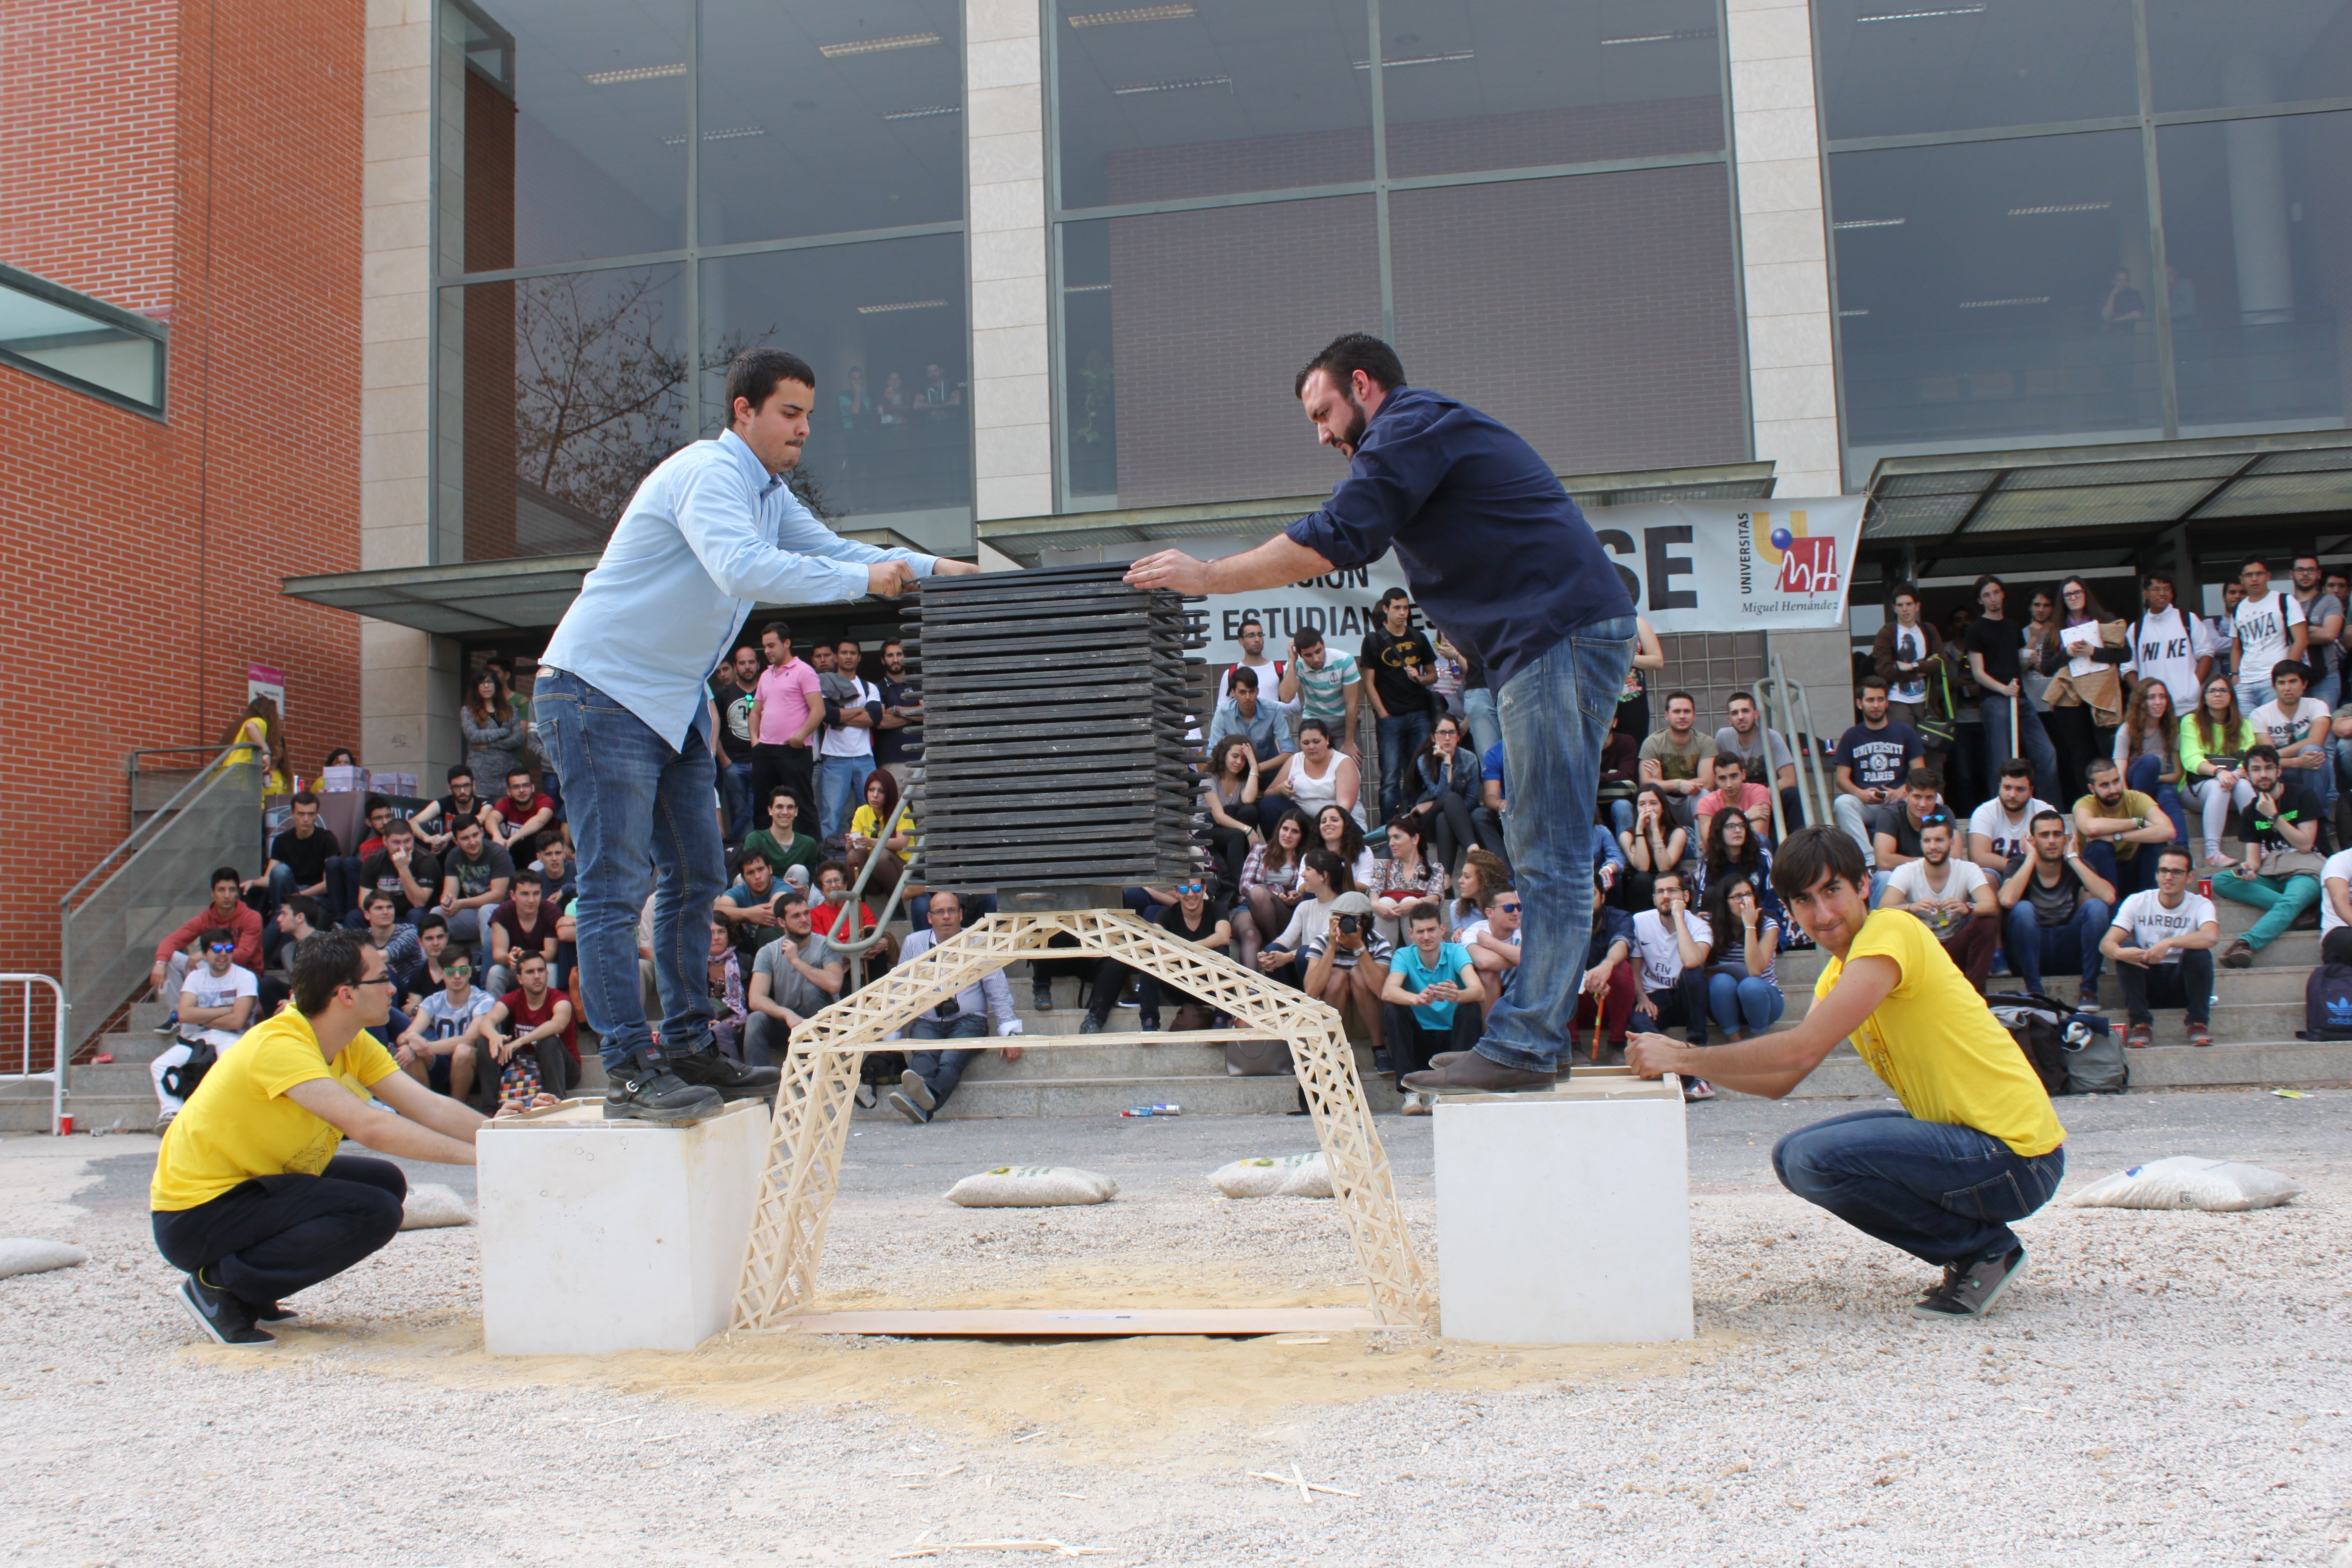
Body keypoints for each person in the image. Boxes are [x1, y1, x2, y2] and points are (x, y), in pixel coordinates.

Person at [1123, 332, 1636, 1093]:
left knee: (1548, 847)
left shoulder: (1407, 426)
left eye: (1324, 411)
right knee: (1539, 839)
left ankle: (1528, 1043)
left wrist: (1210, 577)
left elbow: (1340, 535)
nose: (1323, 434)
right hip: (1549, 638)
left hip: (1555, 635)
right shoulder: (1423, 439)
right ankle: (1537, 1039)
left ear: (1362, 384)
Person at [534, 348, 972, 1122]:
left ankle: (689, 1044)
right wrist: (862, 582)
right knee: (612, 888)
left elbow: (839, 551)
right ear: (744, 412)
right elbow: (742, 569)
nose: (804, 430)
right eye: (790, 413)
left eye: (808, 415)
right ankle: (630, 1070)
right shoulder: (710, 473)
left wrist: (934, 567)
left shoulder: (770, 493)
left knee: (699, 878)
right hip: (597, 692)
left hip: (668, 706)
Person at [1627, 828, 2066, 1321]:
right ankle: (1978, 1249)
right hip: (1973, 1144)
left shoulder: (1891, 933)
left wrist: (1684, 1059)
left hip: (2018, 1158)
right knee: (1794, 1158)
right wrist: (1684, 1062)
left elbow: (1799, 1051)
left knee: (1813, 1158)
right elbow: (1781, 1080)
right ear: (1789, 911)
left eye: (1832, 890)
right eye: (1804, 900)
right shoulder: (1837, 975)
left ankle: (1985, 1250)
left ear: (1862, 886)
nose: (1823, 914)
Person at [150, 931, 489, 1348]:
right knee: (374, 1211)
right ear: (346, 994)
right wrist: (485, 1159)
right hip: (198, 1215)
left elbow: (429, 1107)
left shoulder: (351, 1041)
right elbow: (372, 1128)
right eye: (382, 979)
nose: (393, 988)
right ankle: (218, 1288)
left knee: (385, 1183)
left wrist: (501, 1135)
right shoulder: (281, 1044)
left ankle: (253, 1288)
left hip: (253, 1186)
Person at [884, 894, 1022, 1124]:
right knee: (923, 1059)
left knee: (950, 1060)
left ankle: (921, 1103)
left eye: (951, 911)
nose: (946, 917)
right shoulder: (913, 943)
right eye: (939, 912)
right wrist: (892, 1037)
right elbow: (900, 990)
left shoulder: (978, 941)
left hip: (969, 1020)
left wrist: (1009, 1033)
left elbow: (997, 989)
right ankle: (923, 1107)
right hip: (927, 1019)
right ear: (929, 918)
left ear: (960, 914)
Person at [2211, 744, 2323, 969]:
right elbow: (2253, 858)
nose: (2263, 774)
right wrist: (2250, 870)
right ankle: (2302, 911)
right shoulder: (2251, 811)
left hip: (2308, 870)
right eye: (2256, 769)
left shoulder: (2302, 795)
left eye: (2269, 768)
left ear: (2278, 771)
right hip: (2274, 872)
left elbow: (2305, 844)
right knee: (2221, 880)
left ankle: (2245, 944)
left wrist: (2274, 816)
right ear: (2248, 774)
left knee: (2291, 900)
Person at [2100, 846, 2219, 1049]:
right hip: (2148, 981)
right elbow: (2106, 944)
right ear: (2156, 875)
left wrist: (2169, 943)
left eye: (2177, 872)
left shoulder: (2200, 904)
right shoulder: (2137, 901)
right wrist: (2119, 953)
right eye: (2163, 871)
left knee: (2199, 953)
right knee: (2128, 949)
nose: (2168, 877)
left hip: (2182, 982)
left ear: (2190, 877)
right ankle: (2140, 1024)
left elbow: (2211, 936)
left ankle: (2198, 1024)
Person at [1081, 875, 1233, 1034]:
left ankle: (1221, 1018)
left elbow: (1223, 937)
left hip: (1210, 987)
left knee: (1221, 952)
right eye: (1184, 889)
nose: (1190, 894)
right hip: (1179, 986)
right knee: (1151, 956)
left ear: (1204, 890)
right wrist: (1164, 947)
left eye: (1195, 888)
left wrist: (1186, 950)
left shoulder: (1217, 908)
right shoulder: (1167, 914)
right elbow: (1154, 936)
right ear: (1176, 892)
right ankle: (1149, 1022)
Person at [1998, 809, 2115, 1007]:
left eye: (2057, 834)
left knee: (2096, 907)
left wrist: (2073, 858)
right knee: (2023, 909)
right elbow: (2008, 900)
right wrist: (2030, 858)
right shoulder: (2019, 864)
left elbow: (2109, 897)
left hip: (2067, 949)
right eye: (2044, 835)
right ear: (2032, 840)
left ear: (2066, 838)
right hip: (2030, 951)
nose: (2052, 841)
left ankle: (2088, 990)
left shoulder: (2077, 864)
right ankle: (2035, 991)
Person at [1964, 575, 2060, 805]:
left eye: (1996, 592)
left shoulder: (2013, 627)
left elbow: (2017, 663)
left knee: (2046, 753)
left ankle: (2047, 808)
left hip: (2021, 698)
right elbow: (1978, 673)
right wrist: (2003, 689)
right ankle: (1998, 812)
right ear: (1980, 601)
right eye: (1987, 595)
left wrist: (2031, 656)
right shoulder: (1975, 630)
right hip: (1995, 700)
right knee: (2002, 761)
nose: (1993, 598)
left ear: (2003, 594)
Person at [1685, 875, 1786, 1092]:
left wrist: (1750, 927)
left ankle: (1758, 1045)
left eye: (1749, 894)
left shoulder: (1768, 924)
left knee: (1750, 985)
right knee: (1721, 981)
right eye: (1738, 896)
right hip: (1727, 1003)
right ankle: (1736, 1043)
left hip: (1764, 1000)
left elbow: (1755, 970)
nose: (1745, 901)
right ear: (1725, 901)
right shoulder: (1713, 924)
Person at [1874, 816, 1999, 991]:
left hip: (1955, 945)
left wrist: (1968, 908)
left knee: (1987, 923)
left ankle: (1976, 994)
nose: (1933, 847)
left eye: (1940, 840)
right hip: (1923, 950)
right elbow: (1883, 909)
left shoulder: (1967, 869)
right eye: (1927, 841)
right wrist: (1910, 907)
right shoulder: (1907, 871)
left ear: (1952, 842)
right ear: (1921, 843)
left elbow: (1992, 905)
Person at [152, 930, 259, 1132]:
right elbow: (184, 1014)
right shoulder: (195, 977)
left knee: (229, 1061)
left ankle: (230, 1115)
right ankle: (172, 1114)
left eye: (228, 949)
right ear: (205, 953)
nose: (223, 954)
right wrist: (227, 1009)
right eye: (217, 949)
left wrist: (201, 1015)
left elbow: (238, 1020)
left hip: (234, 1036)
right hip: (198, 1039)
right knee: (160, 1065)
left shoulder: (245, 977)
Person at [1380, 901, 1484, 1093]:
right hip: (1420, 1039)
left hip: (1453, 1040)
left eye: (1431, 930)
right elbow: (1388, 991)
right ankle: (1409, 1091)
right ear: (1411, 934)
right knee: (1394, 1009)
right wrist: (1416, 999)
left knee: (1471, 1007)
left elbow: (1479, 991)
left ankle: (1454, 1087)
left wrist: (1457, 995)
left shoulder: (1456, 951)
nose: (1426, 937)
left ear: (1442, 930)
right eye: (1420, 932)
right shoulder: (1404, 954)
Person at [1358, 587, 1441, 822]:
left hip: (1420, 714)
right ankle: (1388, 832)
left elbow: (1433, 676)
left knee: (1423, 772)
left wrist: (1419, 678)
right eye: (1397, 608)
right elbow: (1369, 683)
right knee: (1390, 778)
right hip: (1391, 718)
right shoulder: (1373, 640)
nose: (1402, 613)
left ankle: (1422, 826)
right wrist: (1383, 714)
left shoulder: (1418, 637)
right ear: (1386, 609)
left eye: (1406, 608)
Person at [2042, 576, 2126, 806]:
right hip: (2070, 701)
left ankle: (2116, 798)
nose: (2074, 598)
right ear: (2063, 600)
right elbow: (2046, 668)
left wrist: (2094, 651)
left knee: (2107, 749)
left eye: (2077, 593)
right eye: (2068, 595)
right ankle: (2087, 802)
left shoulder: (2105, 620)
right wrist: (2066, 653)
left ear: (2085, 594)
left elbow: (2125, 655)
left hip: (2103, 696)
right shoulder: (2056, 629)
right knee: (2079, 754)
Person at [1832, 676, 1923, 871]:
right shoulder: (1851, 736)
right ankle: (1869, 863)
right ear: (1860, 703)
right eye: (1870, 700)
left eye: (1881, 700)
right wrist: (1861, 794)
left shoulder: (1904, 731)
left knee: (1936, 799)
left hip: (1901, 801)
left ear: (1887, 702)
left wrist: (1904, 790)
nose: (1876, 705)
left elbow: (1920, 772)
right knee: (1842, 803)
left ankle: (1930, 854)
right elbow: (1841, 778)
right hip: (1868, 803)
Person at [743, 891, 845, 1066]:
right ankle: (759, 1081)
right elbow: (755, 999)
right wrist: (786, 1014)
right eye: (796, 916)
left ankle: (821, 1064)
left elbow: (835, 984)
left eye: (806, 913)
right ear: (782, 923)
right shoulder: (768, 952)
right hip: (790, 1023)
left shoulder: (827, 944)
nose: (805, 920)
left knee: (811, 990)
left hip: (826, 1025)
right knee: (756, 1019)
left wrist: (796, 961)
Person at [1296, 888, 1393, 1069]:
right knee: (1337, 975)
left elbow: (1381, 991)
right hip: (1334, 1015)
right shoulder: (1323, 941)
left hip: (1367, 1018)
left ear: (1365, 921)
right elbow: (1311, 991)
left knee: (1358, 973)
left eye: (1350, 919)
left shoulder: (1379, 944)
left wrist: (1359, 949)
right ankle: (1333, 1050)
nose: (1345, 925)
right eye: (1340, 919)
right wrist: (1332, 948)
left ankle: (1379, 1047)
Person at [151, 867, 265, 1015]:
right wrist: (160, 963)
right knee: (170, 957)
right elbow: (172, 940)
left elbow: (243, 955)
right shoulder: (206, 918)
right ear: (213, 893)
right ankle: (178, 1014)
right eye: (221, 890)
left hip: (243, 975)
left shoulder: (251, 918)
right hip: (215, 970)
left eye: (232, 890)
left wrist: (205, 955)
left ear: (238, 892)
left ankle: (194, 1011)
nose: (227, 896)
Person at [395, 950, 501, 1104]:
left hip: (475, 1065)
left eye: (463, 970)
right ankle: (426, 1109)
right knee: (408, 1054)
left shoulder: (483, 1000)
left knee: (462, 1051)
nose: (457, 976)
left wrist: (421, 1047)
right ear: (441, 974)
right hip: (442, 1062)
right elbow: (404, 1036)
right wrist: (410, 1040)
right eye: (451, 971)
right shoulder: (433, 1001)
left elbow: (470, 1039)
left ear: (470, 973)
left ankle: (456, 1107)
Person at [749, 621, 824, 836]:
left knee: (801, 805)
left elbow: (818, 710)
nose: (767, 651)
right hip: (765, 750)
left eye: (771, 645)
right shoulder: (765, 675)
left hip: (793, 750)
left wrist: (799, 738)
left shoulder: (804, 671)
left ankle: (812, 860)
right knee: (764, 806)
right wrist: (755, 741)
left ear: (787, 643)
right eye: (765, 646)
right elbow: (755, 711)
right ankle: (763, 860)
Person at [480, 951, 579, 1110]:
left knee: (548, 1039)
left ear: (547, 974)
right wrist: (493, 1036)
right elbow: (487, 1021)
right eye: (530, 972)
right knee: (486, 1040)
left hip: (563, 1068)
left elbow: (558, 1024)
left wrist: (519, 1041)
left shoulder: (560, 999)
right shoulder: (514, 998)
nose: (537, 976)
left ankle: (555, 1105)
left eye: (541, 971)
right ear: (519, 979)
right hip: (523, 1065)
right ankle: (490, 1110)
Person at [2180, 674, 2262, 867]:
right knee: (2220, 786)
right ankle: (2212, 852)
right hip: (2196, 788)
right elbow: (2191, 759)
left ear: (2231, 696)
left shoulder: (2244, 725)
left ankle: (2263, 845)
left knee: (2241, 784)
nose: (2218, 694)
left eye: (2224, 690)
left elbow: (2251, 758)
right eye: (2213, 691)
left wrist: (2236, 775)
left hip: (2235, 783)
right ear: (2205, 696)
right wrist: (2219, 773)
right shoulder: (2191, 721)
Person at [1874, 583, 1951, 784]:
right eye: (1901, 605)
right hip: (1897, 700)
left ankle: (1936, 807)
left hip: (1927, 702)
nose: (1905, 609)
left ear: (1918, 606)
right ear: (1894, 608)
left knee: (1934, 755)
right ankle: (1903, 804)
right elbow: (1884, 670)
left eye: (1909, 604)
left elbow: (1943, 663)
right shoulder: (1888, 632)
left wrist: (1911, 667)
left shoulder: (1928, 630)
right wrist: (1923, 669)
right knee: (1900, 753)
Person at [2070, 757, 2174, 899]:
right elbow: (2091, 829)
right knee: (2099, 846)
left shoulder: (2136, 798)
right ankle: (2113, 916)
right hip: (2100, 876)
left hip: (2132, 870)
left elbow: (2168, 831)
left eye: (2116, 781)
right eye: (2105, 785)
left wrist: (2118, 836)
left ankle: (2150, 906)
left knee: (2157, 844)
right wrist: (2137, 822)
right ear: (2092, 789)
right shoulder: (2084, 804)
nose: (2114, 790)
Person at [1629, 870, 1710, 1047]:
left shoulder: (1700, 926)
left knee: (1694, 974)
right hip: (1654, 998)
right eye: (1660, 892)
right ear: (1654, 898)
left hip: (1685, 996)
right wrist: (1642, 997)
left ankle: (1697, 1044)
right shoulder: (1640, 921)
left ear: (1686, 896)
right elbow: (1634, 968)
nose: (1666, 896)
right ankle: (1668, 1053)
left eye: (1672, 890)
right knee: (1637, 1020)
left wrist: (1679, 917)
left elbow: (1691, 961)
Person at [816, 638, 883, 849]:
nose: (848, 657)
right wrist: (858, 711)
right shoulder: (824, 684)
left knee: (871, 812)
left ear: (859, 657)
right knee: (831, 815)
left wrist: (841, 716)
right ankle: (830, 858)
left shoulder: (869, 687)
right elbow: (828, 715)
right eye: (844, 652)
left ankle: (870, 856)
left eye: (853, 653)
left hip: (865, 758)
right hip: (835, 758)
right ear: (836, 656)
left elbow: (874, 719)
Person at [2114, 675, 2188, 855]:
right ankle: (2138, 819)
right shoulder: (2127, 730)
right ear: (2141, 702)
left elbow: (2177, 774)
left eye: (2163, 697)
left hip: (2158, 784)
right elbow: (2119, 771)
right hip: (2133, 786)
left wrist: (2153, 778)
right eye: (2152, 697)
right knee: (2151, 762)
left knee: (2168, 795)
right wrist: (2127, 801)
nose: (2158, 702)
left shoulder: (2171, 730)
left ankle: (2183, 852)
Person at [2122, 570, 2214, 714]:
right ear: (2146, 594)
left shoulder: (2188, 620)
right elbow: (2128, 668)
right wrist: (2141, 694)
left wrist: (2194, 686)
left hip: (2188, 707)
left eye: (2167, 589)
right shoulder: (2136, 629)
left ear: (2172, 594)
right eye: (2157, 589)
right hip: (2153, 710)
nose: (2162, 593)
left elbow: (2207, 654)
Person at [1571, 874, 1640, 1063]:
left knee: (1622, 969)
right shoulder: (1563, 922)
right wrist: (1587, 979)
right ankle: (1571, 1046)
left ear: (1603, 897)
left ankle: (1617, 1044)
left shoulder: (1620, 918)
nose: (1585, 900)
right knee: (1560, 973)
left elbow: (1623, 943)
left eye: (1591, 894)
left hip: (1609, 1001)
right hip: (1575, 1003)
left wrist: (1607, 966)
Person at [2249, 660, 2334, 813]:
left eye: (2293, 681)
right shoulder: (2259, 715)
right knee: (2265, 767)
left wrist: (2274, 756)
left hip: (2308, 765)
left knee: (2314, 750)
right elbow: (2266, 761)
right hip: (2279, 770)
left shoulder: (2317, 705)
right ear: (2274, 687)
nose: (2287, 688)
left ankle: (2320, 816)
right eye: (2281, 683)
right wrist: (2296, 762)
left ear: (2305, 684)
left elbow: (2316, 740)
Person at [1256, 847, 1348, 985]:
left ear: (1324, 876)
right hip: (1303, 967)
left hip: (1329, 971)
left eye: (1308, 869)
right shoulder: (1305, 906)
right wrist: (1267, 955)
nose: (1303, 874)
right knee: (1273, 950)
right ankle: (1285, 1002)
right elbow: (1286, 939)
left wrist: (1289, 956)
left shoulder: (1342, 907)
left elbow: (1323, 946)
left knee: (1304, 953)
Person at [1715, 691, 1801, 836]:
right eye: (1735, 713)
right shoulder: (1723, 737)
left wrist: (1760, 795)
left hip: (1768, 801)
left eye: (1746, 711)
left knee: (1792, 795)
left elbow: (1789, 779)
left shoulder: (1772, 737)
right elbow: (1719, 776)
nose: (1741, 717)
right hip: (1737, 802)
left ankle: (1802, 844)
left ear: (1756, 714)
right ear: (1729, 719)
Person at [1237, 807, 1312, 972]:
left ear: (1303, 836)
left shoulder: (1306, 858)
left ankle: (1274, 946)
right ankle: (1252, 987)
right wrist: (1272, 893)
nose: (1288, 835)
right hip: (1249, 906)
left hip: (1284, 909)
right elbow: (1244, 884)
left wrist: (1297, 895)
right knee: (1250, 934)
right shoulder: (1260, 850)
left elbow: (1307, 884)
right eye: (1285, 829)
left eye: (1295, 831)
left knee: (1259, 893)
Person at [1405, 714, 1481, 873]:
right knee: (1450, 799)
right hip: (1427, 821)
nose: (1447, 738)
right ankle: (1473, 849)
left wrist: (1445, 807)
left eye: (1452, 733)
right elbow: (1442, 795)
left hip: (1451, 819)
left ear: (1459, 737)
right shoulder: (1424, 761)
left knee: (1444, 817)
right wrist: (1447, 762)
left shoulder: (1470, 759)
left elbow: (1473, 802)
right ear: (1433, 737)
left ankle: (1445, 882)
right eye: (1442, 733)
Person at [2231, 555, 2306, 715]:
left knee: (2276, 728)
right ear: (2242, 579)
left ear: (2268, 576)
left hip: (2273, 679)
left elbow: (2301, 640)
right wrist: (2235, 675)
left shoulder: (2285, 601)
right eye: (2249, 575)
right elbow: (2236, 648)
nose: (2255, 579)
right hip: (2245, 681)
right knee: (2248, 732)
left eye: (2260, 574)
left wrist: (2287, 674)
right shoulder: (2238, 609)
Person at [1207, 666, 1296, 800]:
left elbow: (1289, 752)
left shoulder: (1273, 710)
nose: (1248, 697)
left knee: (1273, 805)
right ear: (1233, 693)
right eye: (1242, 692)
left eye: (1252, 691)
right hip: (1236, 774)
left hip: (1268, 773)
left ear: (1258, 691)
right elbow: (1212, 751)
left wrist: (1256, 768)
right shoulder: (1223, 713)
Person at [1263, 718, 1365, 833]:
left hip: (1340, 824)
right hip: (1305, 824)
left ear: (1327, 739)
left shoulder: (1343, 762)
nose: (1311, 747)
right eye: (1306, 743)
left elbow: (1344, 807)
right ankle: (1278, 849)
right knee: (1268, 804)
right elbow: (1268, 793)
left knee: (1336, 820)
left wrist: (1324, 826)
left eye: (1316, 742)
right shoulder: (1295, 760)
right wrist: (1280, 790)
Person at [1278, 625, 1362, 764]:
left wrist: (1349, 742)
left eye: (1319, 651)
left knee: (1352, 769)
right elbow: (1286, 698)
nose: (1316, 659)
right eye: (1309, 655)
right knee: (1313, 771)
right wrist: (1292, 661)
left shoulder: (1344, 660)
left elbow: (1352, 704)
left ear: (1324, 645)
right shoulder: (1295, 664)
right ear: (1299, 654)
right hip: (1315, 722)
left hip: (1344, 722)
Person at [1638, 691, 1717, 828]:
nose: (1682, 716)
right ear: (1667, 716)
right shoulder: (1653, 743)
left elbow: (1708, 783)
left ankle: (1703, 848)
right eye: (1677, 711)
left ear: (1694, 716)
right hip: (1663, 802)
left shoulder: (1706, 742)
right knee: (1649, 798)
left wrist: (1661, 783)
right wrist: (1678, 784)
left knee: (1703, 794)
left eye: (1687, 711)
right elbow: (1646, 784)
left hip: (1690, 802)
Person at [433, 818, 513, 953]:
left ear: (482, 832)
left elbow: (497, 896)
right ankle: (439, 967)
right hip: (472, 911)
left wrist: (461, 904)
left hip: (502, 912)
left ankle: (489, 963)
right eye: (465, 838)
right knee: (436, 914)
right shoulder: (454, 856)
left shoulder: (498, 853)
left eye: (475, 835)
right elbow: (450, 891)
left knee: (485, 910)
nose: (472, 842)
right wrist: (447, 902)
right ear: (456, 841)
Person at [251, 791, 339, 913]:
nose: (306, 819)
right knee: (280, 871)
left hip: (315, 897)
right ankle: (279, 915)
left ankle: (280, 915)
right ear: (292, 814)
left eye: (311, 814)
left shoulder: (327, 839)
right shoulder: (282, 840)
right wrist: (252, 883)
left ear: (317, 814)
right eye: (301, 814)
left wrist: (299, 895)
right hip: (290, 891)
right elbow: (270, 877)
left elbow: (328, 884)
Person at [1366, 814, 1449, 943]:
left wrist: (1416, 903)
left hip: (1424, 933)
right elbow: (1374, 893)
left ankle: (1420, 959)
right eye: (1390, 838)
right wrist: (1376, 905)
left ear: (1415, 839)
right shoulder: (1383, 867)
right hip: (1390, 929)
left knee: (1411, 902)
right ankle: (1383, 960)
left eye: (1397, 837)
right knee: (1385, 902)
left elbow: (1435, 898)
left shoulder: (1435, 869)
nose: (1391, 843)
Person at [1867, 768, 1948, 897]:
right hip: (1898, 878)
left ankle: (1945, 917)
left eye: (1930, 798)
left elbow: (1954, 858)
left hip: (1932, 878)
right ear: (1906, 796)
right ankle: (1881, 917)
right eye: (1917, 797)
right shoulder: (1890, 815)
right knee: (1884, 878)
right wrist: (1929, 861)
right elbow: (1884, 861)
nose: (1923, 804)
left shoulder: (1943, 813)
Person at [711, 642, 763, 841]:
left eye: (751, 662)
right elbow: (714, 729)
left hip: (761, 762)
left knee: (756, 810)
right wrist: (724, 760)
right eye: (742, 663)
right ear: (736, 667)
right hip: (734, 764)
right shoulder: (724, 695)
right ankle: (740, 855)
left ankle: (736, 846)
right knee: (738, 812)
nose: (747, 667)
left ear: (758, 664)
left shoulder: (767, 690)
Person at [484, 869, 561, 997]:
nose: (531, 900)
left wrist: (526, 957)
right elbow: (498, 955)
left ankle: (547, 1013)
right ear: (513, 895)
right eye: (525, 894)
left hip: (541, 967)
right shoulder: (502, 913)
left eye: (536, 894)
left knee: (552, 969)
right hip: (515, 969)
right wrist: (510, 957)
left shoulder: (551, 912)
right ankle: (494, 1015)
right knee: (495, 972)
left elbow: (550, 954)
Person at [1965, 759, 2050, 875]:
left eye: (2020, 789)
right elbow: (1979, 857)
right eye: (2007, 788)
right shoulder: (1985, 812)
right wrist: (2020, 868)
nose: (2013, 795)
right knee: (1986, 877)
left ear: (2031, 791)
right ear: (2000, 787)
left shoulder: (2045, 812)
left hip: (2038, 874)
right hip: (1999, 875)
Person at [843, 767, 914, 901]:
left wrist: (871, 842)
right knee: (854, 854)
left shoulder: (901, 810)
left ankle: (897, 908)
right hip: (873, 875)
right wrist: (850, 844)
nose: (875, 795)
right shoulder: (862, 811)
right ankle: (859, 907)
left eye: (881, 791)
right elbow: (854, 847)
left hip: (901, 871)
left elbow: (902, 842)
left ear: (889, 794)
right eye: (871, 790)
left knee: (880, 855)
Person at [354, 816, 440, 926]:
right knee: (355, 916)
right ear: (385, 841)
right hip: (386, 913)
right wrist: (382, 913)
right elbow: (364, 901)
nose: (402, 848)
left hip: (417, 912)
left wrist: (403, 869)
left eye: (407, 841)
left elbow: (419, 903)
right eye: (396, 842)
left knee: (416, 914)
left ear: (413, 838)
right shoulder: (374, 860)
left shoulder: (426, 860)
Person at [1201, 735, 1261, 886]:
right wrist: (1248, 830)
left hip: (1230, 829)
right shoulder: (1209, 779)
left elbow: (1248, 800)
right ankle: (1240, 887)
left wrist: (1254, 766)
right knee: (1237, 835)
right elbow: (1219, 817)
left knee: (1250, 811)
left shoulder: (1242, 781)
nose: (1239, 762)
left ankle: (1247, 869)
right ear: (1224, 755)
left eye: (1244, 759)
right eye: (1235, 756)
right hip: (1206, 829)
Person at [461, 666, 533, 790]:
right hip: (480, 773)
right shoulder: (468, 711)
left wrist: (489, 746)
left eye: (490, 682)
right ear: (476, 687)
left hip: (507, 773)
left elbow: (517, 739)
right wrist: (503, 732)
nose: (486, 686)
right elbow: (474, 736)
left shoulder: (511, 710)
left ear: (496, 685)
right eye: (482, 683)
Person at [1619, 782, 1688, 908]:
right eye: (1642, 804)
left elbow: (1664, 867)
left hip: (1669, 883)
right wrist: (1640, 831)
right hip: (1640, 887)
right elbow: (1643, 867)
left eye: (1653, 803)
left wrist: (1655, 830)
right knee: (1643, 879)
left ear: (1663, 807)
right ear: (1636, 809)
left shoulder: (1678, 833)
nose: (1648, 809)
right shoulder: (1626, 836)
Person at [715, 846, 789, 959]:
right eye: (750, 873)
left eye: (761, 869)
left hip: (781, 950)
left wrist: (738, 915)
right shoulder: (740, 892)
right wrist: (749, 915)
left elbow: (772, 911)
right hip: (748, 949)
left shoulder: (782, 887)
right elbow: (718, 913)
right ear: (744, 878)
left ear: (770, 869)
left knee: (768, 931)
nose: (757, 877)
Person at [1217, 618, 1296, 717]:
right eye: (1251, 636)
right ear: (1241, 641)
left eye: (1260, 635)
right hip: (1242, 732)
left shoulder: (1280, 670)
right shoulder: (1231, 673)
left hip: (1273, 731)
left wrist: (1261, 706)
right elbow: (1221, 710)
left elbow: (1295, 706)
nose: (1257, 639)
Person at [742, 787, 822, 885]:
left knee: (800, 870)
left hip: (795, 896)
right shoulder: (756, 838)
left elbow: (810, 881)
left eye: (790, 807)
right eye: (779, 807)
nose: (785, 812)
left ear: (796, 811)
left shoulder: (809, 844)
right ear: (770, 810)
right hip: (763, 893)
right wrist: (781, 885)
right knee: (740, 879)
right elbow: (749, 871)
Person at [483, 767, 559, 868]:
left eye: (525, 786)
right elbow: (491, 819)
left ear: (533, 788)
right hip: (517, 856)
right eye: (516, 787)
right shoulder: (507, 803)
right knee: (486, 834)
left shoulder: (544, 800)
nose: (522, 790)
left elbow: (540, 819)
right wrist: (496, 835)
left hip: (543, 859)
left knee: (531, 838)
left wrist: (511, 841)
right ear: (508, 792)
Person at [1694, 753, 1773, 848]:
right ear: (1716, 780)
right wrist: (1746, 816)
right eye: (1722, 778)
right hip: (1721, 858)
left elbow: (1755, 836)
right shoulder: (1706, 802)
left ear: (1743, 775)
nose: (1729, 784)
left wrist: (1718, 833)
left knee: (1761, 840)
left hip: (1753, 855)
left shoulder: (1758, 791)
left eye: (1734, 776)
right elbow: (1709, 842)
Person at [874, 637, 921, 787]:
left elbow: (929, 715)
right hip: (891, 763)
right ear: (882, 660)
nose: (895, 659)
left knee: (925, 810)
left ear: (905, 657)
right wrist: (913, 717)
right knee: (894, 811)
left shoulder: (918, 684)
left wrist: (896, 710)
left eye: (899, 654)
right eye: (890, 655)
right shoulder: (877, 688)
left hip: (921, 760)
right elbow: (880, 721)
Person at [412, 764, 484, 856]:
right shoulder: (444, 803)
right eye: (457, 787)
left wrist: (451, 835)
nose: (462, 791)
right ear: (449, 789)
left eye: (466, 785)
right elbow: (412, 822)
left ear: (473, 785)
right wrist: (427, 838)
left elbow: (482, 818)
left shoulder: (483, 803)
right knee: (421, 830)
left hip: (476, 850)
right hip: (450, 852)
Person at [1314, 802, 1379, 890]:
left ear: (1346, 825)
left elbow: (1366, 886)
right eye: (1323, 821)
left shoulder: (1363, 851)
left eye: (1334, 820)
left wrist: (1331, 882)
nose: (1328, 824)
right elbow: (1302, 887)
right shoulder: (1311, 854)